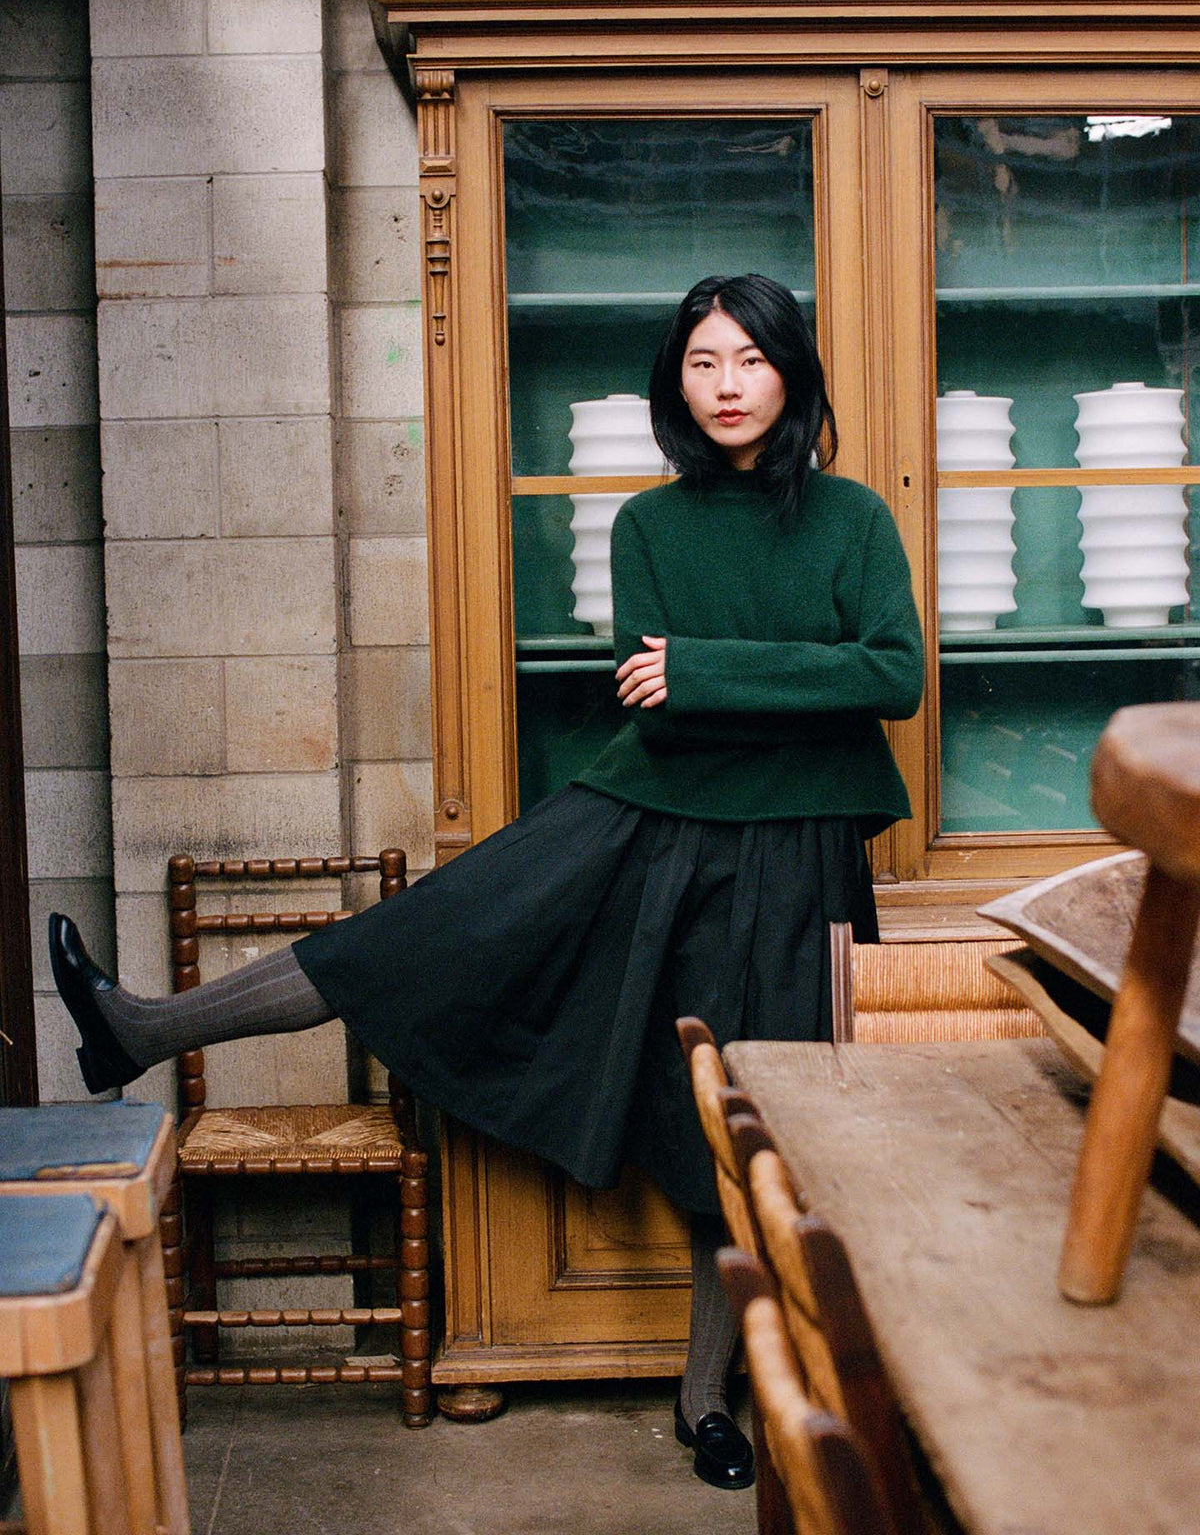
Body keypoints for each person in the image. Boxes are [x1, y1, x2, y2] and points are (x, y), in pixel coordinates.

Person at [49, 272, 923, 1492]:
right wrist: (768, 686)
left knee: (744, 1123)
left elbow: (893, 677)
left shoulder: (853, 519)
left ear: (792, 372)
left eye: (750, 360)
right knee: (423, 933)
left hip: (800, 852)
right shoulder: (646, 527)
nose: (726, 386)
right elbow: (655, 712)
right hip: (643, 822)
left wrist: (712, 670)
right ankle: (143, 1026)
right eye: (702, 363)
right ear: (677, 382)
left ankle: (703, 1397)